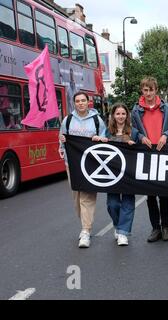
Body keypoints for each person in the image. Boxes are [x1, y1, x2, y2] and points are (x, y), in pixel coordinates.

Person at [59, 92, 107, 248]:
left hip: (91, 165)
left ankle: (86, 230)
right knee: (77, 198)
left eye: (83, 101)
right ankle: (84, 223)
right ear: (74, 104)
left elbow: (104, 139)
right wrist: (62, 143)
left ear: (88, 102)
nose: (80, 103)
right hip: (71, 164)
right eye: (77, 101)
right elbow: (61, 138)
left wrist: (100, 139)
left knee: (87, 196)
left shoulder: (97, 120)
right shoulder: (68, 120)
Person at [131, 77, 168, 243]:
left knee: (163, 192)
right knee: (150, 194)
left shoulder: (166, 108)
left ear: (155, 90)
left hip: (162, 152)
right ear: (142, 91)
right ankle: (155, 228)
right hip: (146, 153)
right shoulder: (136, 110)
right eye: (145, 90)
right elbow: (133, 130)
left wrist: (166, 135)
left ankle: (166, 227)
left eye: (150, 90)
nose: (148, 93)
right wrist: (141, 137)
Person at [104, 103, 140, 246]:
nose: (120, 116)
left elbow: (141, 151)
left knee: (128, 202)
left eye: (123, 114)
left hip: (128, 174)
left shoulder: (134, 132)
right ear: (113, 115)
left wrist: (134, 144)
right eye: (118, 114)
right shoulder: (106, 132)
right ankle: (118, 225)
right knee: (112, 204)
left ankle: (123, 233)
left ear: (127, 115)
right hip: (111, 174)